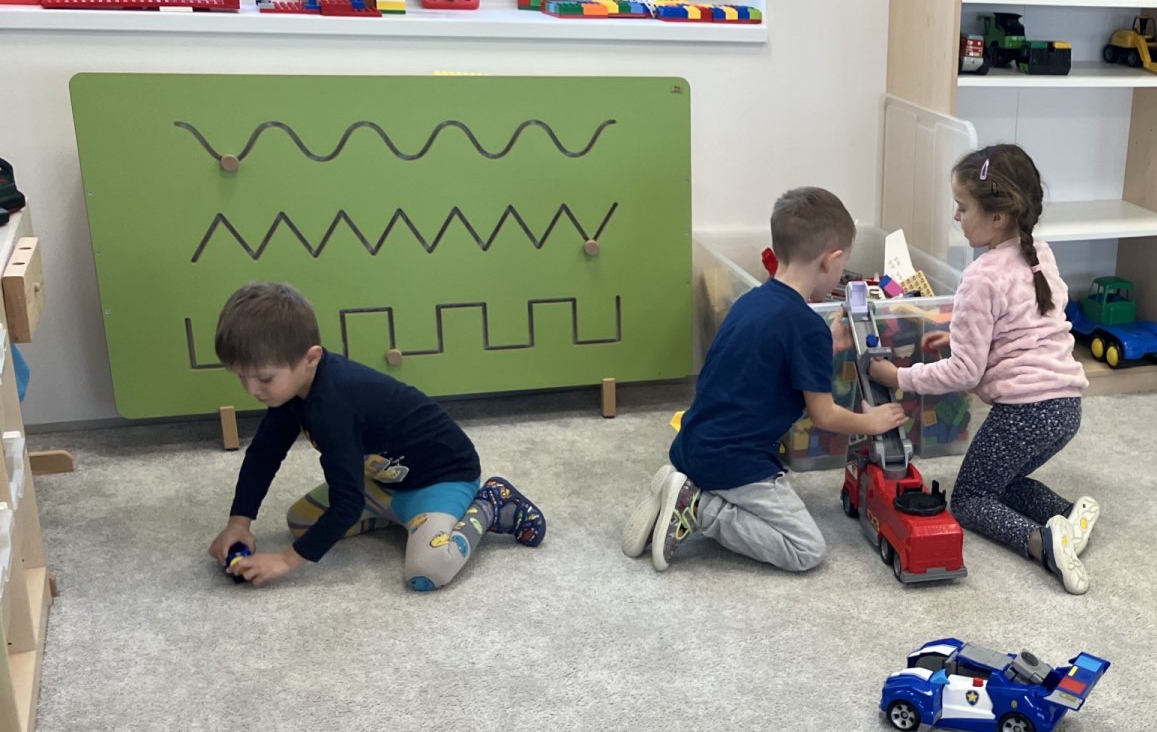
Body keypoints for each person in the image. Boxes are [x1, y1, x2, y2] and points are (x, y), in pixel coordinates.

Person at [624, 187, 906, 573]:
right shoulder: (805, 326)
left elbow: (769, 366)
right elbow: (824, 415)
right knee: (806, 549)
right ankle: (699, 507)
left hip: (692, 445)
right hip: (735, 463)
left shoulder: (752, 301)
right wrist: (870, 422)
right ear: (830, 260)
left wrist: (824, 345)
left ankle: (683, 487)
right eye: (843, 265)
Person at [206, 282, 544, 591]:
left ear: (311, 358)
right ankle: (406, 519)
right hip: (385, 482)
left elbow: (347, 504)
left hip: (443, 479)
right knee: (302, 523)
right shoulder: (291, 392)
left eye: (264, 378)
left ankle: (490, 505)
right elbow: (264, 454)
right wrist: (239, 522)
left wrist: (284, 560)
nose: (252, 390)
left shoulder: (333, 405)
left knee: (427, 570)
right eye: (242, 377)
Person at [868, 144, 1096, 595]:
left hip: (1025, 412)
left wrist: (897, 378)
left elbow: (964, 375)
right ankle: (1071, 515)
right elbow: (1019, 327)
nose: (956, 216)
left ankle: (1042, 542)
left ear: (998, 216)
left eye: (962, 206)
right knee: (1000, 480)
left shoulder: (980, 275)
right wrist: (957, 336)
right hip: (1066, 408)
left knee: (971, 498)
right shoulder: (1039, 253)